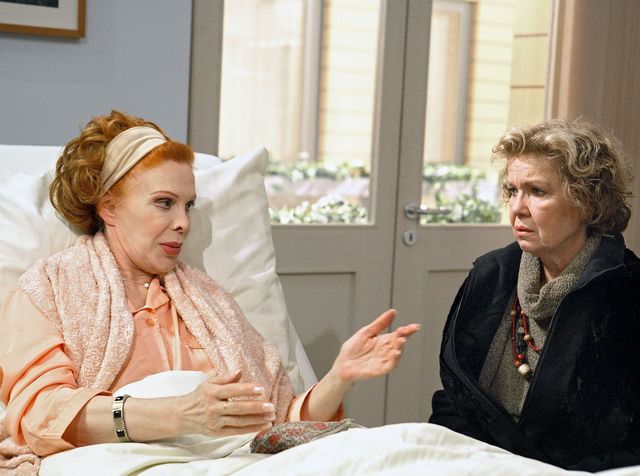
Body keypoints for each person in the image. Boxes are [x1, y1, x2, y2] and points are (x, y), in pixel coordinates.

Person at [0, 110, 420, 466]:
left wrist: (338, 377)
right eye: (164, 203)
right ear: (109, 206)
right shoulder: (50, 289)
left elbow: (279, 421)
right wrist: (178, 414)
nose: (183, 223)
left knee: (418, 449)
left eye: (189, 205)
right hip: (129, 462)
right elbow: (40, 414)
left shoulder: (208, 300)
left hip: (238, 458)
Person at [428, 118, 640, 471]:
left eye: (537, 191)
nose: (517, 208)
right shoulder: (491, 275)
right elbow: (455, 398)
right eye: (512, 191)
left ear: (588, 202)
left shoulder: (627, 292)